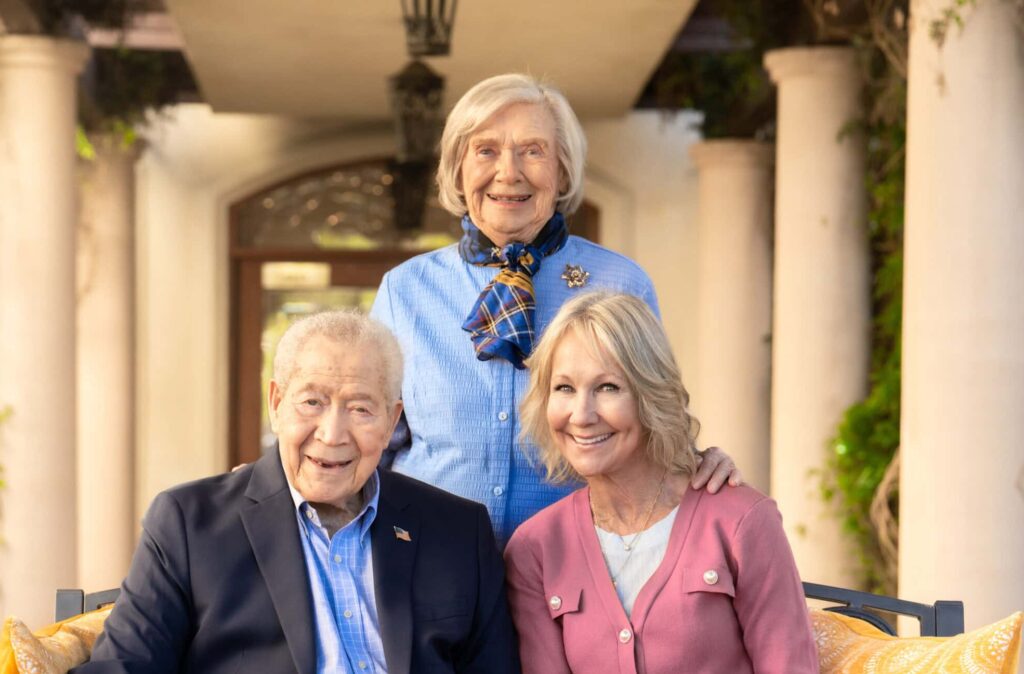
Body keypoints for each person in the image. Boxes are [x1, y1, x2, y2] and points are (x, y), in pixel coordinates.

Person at [371, 73, 741, 546]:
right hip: (430, 561)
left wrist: (701, 462)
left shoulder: (620, 284)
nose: (509, 172)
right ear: (458, 169)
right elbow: (372, 435)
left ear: (562, 171)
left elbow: (656, 428)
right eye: (486, 150)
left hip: (575, 569)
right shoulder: (405, 291)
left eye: (533, 150)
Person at [75, 311, 518, 674]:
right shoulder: (189, 523)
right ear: (276, 404)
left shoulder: (457, 529)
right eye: (312, 402)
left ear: (391, 420)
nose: (332, 433)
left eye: (361, 408)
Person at [504, 292, 817, 673]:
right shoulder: (534, 549)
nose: (581, 415)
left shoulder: (743, 522)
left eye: (607, 388)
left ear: (650, 395)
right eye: (564, 388)